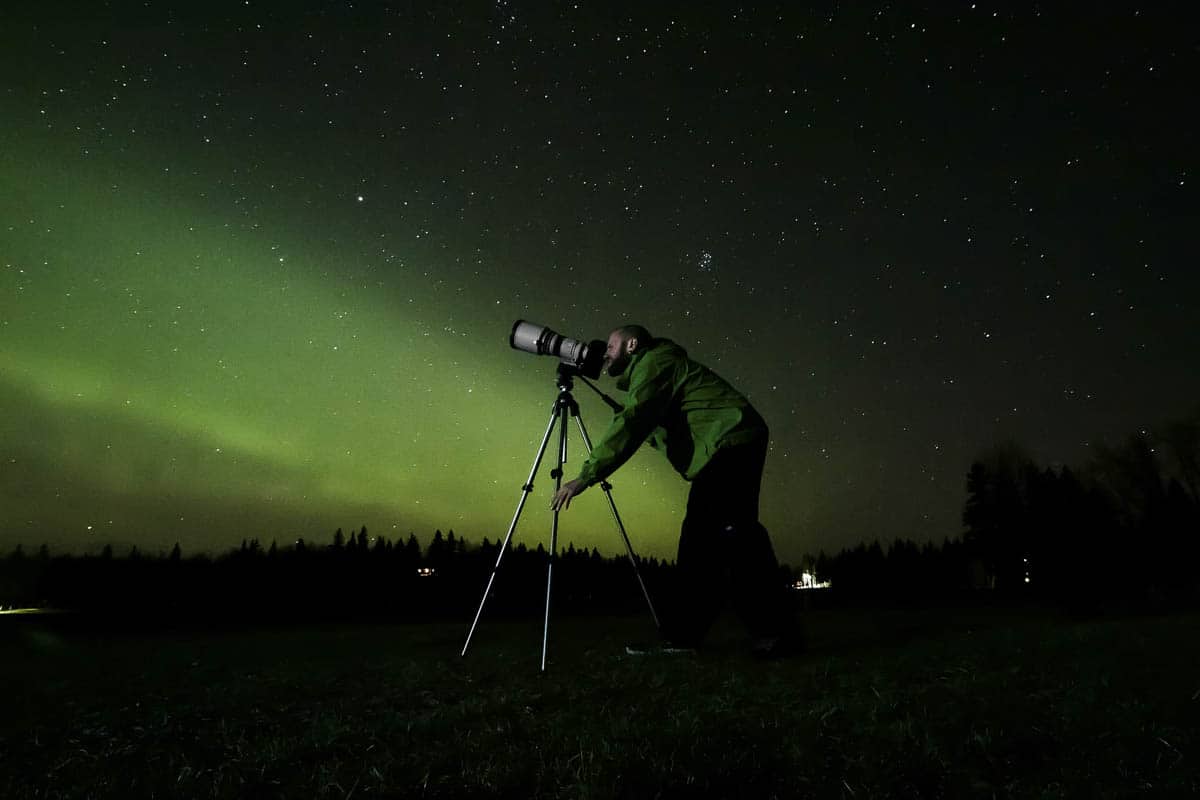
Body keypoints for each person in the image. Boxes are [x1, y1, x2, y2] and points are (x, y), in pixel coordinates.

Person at [551, 324, 800, 657]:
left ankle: (697, 637)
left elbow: (634, 421)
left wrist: (585, 476)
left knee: (711, 538)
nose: (604, 350)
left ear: (632, 345)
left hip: (729, 441)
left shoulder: (655, 363)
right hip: (729, 443)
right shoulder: (654, 371)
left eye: (612, 344)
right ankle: (763, 633)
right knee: (730, 537)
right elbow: (652, 427)